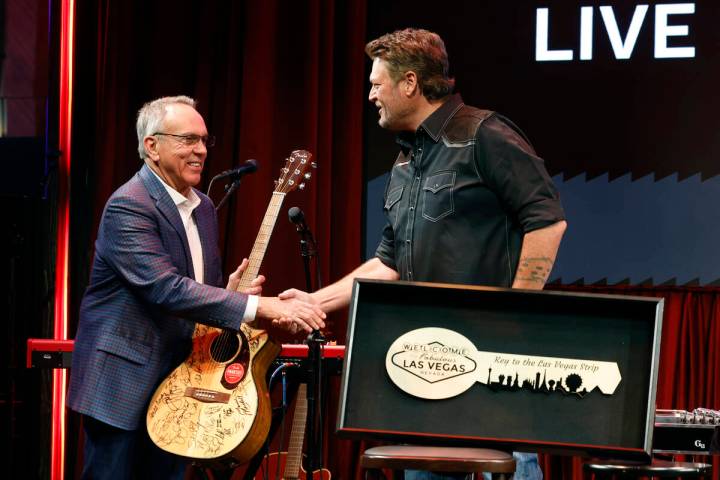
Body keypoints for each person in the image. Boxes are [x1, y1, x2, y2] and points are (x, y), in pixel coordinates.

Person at [278, 29, 567, 480]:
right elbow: (388, 263)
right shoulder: (405, 162)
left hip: (492, 358)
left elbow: (546, 220)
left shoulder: (484, 133)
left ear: (409, 83)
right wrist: (312, 303)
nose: (371, 94)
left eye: (376, 84)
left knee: (503, 466)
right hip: (426, 360)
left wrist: (517, 311)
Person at [67, 95, 326, 480]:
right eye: (188, 140)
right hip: (123, 384)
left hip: (181, 387)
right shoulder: (129, 205)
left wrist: (229, 290)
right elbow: (165, 288)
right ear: (151, 146)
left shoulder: (202, 207)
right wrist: (262, 308)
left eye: (205, 141)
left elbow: (192, 290)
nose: (201, 150)